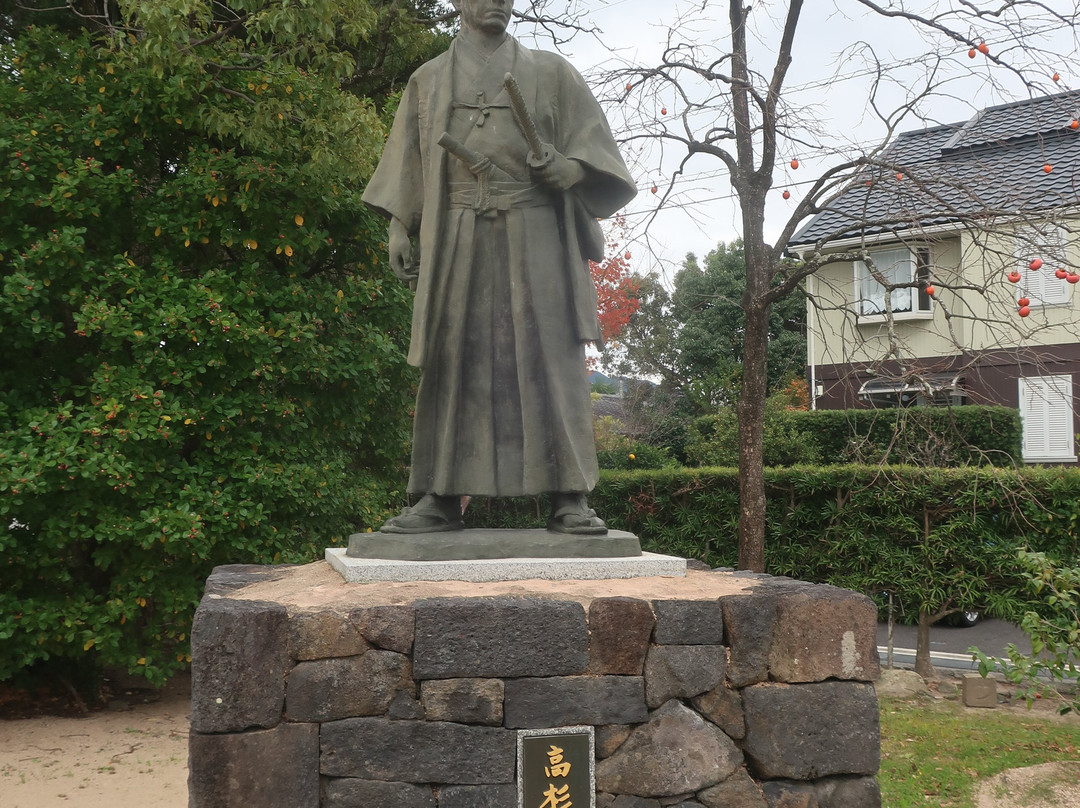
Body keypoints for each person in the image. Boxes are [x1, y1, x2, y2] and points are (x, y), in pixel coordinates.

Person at [362, 0, 636, 535]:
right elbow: (410, 159)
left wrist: (570, 167)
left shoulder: (552, 73)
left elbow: (597, 153)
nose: (497, 3)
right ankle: (439, 497)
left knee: (550, 350)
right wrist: (400, 225)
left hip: (536, 229)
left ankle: (569, 495)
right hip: (457, 229)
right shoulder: (429, 79)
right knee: (452, 352)